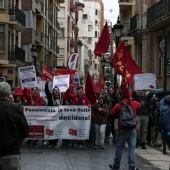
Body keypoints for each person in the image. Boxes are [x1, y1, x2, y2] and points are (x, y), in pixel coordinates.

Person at [109, 90, 142, 170]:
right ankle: (131, 165)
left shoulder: (118, 105)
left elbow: (112, 114)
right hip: (132, 129)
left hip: (122, 129)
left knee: (119, 147)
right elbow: (141, 103)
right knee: (132, 147)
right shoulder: (134, 104)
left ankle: (116, 164)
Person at [0, 82, 29, 170]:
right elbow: (24, 130)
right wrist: (16, 140)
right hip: (10, 151)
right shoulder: (13, 108)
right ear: (9, 94)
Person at [45, 80, 64, 148]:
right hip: (51, 118)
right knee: (51, 129)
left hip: (59, 118)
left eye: (57, 90)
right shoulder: (51, 98)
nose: (56, 91)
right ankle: (51, 142)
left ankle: (55, 142)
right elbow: (47, 92)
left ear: (59, 92)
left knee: (57, 130)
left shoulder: (62, 99)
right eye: (55, 90)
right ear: (53, 92)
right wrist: (46, 84)